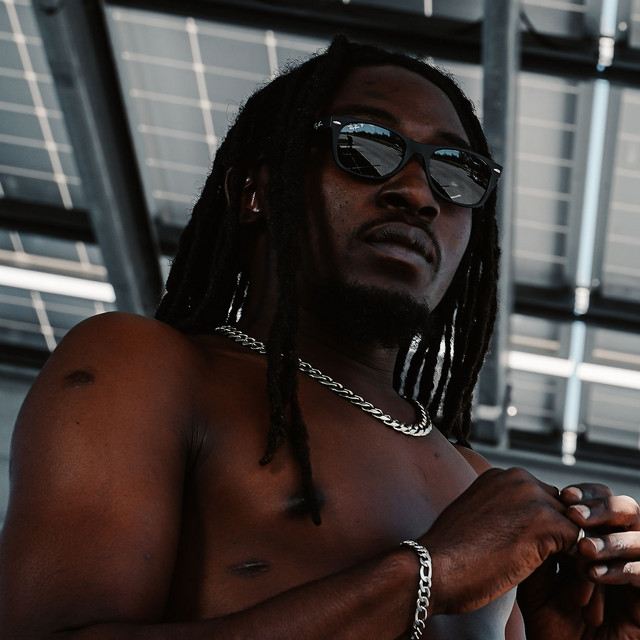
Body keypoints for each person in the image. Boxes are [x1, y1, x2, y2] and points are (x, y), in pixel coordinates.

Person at [0, 36, 639, 639]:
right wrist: (427, 575)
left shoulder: (476, 482)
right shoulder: (144, 366)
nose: (418, 193)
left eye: (456, 171)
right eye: (367, 145)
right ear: (255, 192)